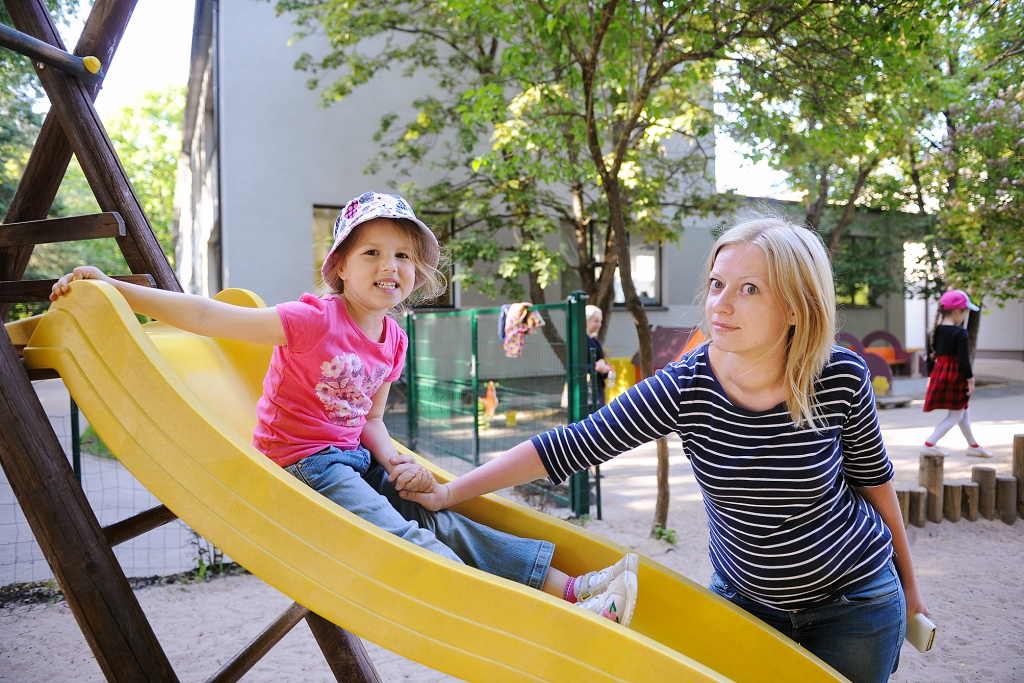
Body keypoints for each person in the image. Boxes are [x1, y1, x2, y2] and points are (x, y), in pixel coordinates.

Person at [50, 191, 638, 626]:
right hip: (304, 463)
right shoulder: (311, 320)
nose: (391, 266)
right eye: (373, 252)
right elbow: (208, 318)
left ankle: (571, 589)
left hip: (353, 455)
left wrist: (398, 463)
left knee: (440, 512)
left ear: (418, 271)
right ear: (340, 267)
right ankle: (546, 618)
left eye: (405, 255)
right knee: (403, 537)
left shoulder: (395, 339)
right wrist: (116, 288)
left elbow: (372, 419)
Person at [402, 216, 929, 683]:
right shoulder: (687, 387)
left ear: (796, 307)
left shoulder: (838, 376)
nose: (719, 304)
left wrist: (911, 592)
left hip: (856, 606)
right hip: (744, 607)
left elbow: (875, 486)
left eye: (749, 290)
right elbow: (568, 445)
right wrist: (449, 493)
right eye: (718, 284)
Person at [921, 290, 992, 458]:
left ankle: (973, 446)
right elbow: (963, 360)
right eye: (966, 312)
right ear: (959, 311)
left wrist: (931, 377)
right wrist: (970, 380)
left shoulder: (934, 332)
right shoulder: (960, 333)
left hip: (940, 373)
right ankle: (929, 443)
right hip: (955, 376)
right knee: (956, 414)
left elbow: (929, 359)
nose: (965, 317)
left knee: (962, 412)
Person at [584, 304, 615, 407]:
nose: (599, 325)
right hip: (588, 389)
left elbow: (599, 359)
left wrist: (604, 367)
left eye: (600, 321)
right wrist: (596, 367)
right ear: (586, 320)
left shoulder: (593, 340)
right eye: (596, 321)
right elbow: (579, 364)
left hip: (597, 386)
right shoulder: (582, 340)